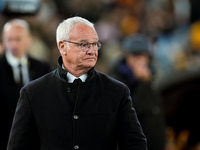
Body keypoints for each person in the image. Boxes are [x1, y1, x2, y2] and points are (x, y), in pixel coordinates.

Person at [7, 16, 147, 150]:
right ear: (62, 47)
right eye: (84, 44)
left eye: (95, 44)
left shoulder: (117, 91)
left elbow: (135, 144)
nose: (92, 51)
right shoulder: (32, 93)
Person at [108, 33, 167, 150]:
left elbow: (156, 110)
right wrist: (143, 83)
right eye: (134, 55)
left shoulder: (150, 75)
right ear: (127, 57)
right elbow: (135, 110)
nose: (139, 60)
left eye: (142, 55)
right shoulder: (118, 80)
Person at [0, 19, 51, 149]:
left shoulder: (42, 68)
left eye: (18, 39)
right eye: (9, 39)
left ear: (29, 39)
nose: (13, 44)